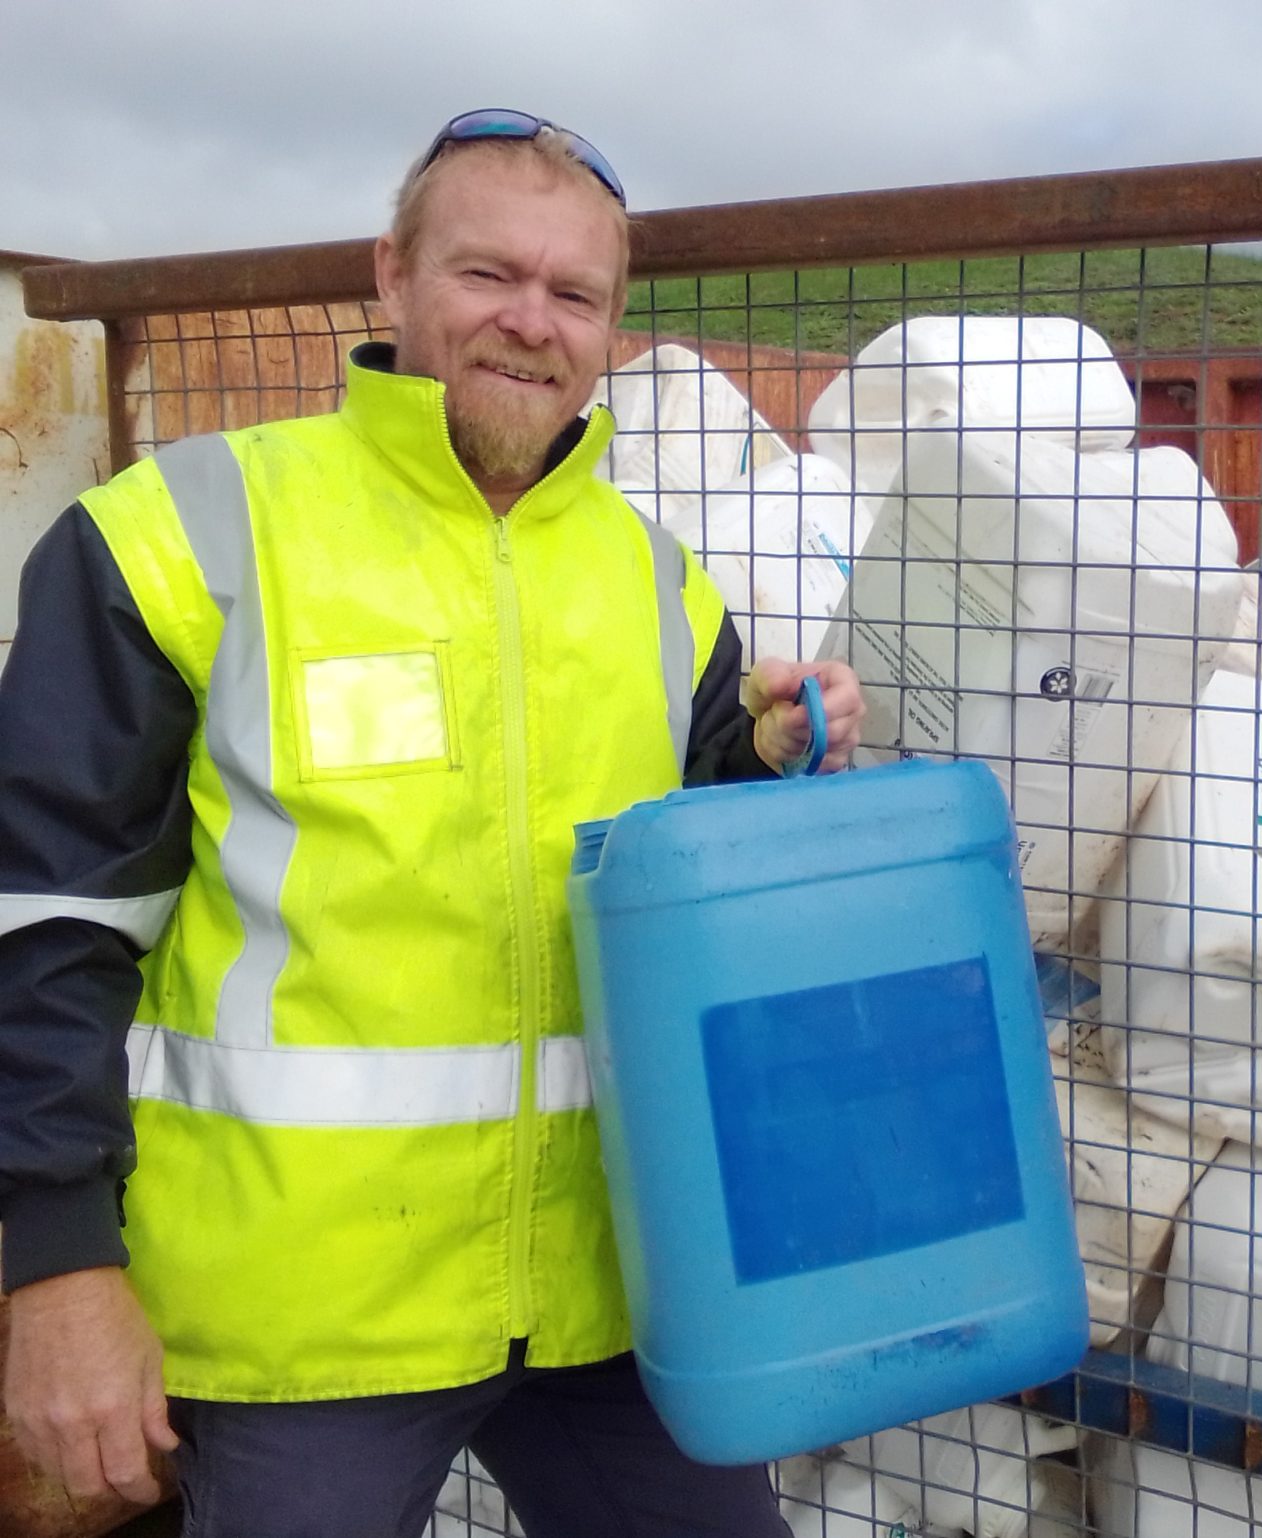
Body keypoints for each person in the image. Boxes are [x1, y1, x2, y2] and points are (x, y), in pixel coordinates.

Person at [0, 108, 863, 1537]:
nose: (532, 323)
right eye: (488, 275)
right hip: (303, 1323)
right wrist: (53, 1263)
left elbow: (682, 876)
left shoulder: (654, 579)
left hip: (603, 1292)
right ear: (390, 276)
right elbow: (45, 923)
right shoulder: (183, 535)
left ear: (612, 328)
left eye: (574, 294)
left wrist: (770, 755)